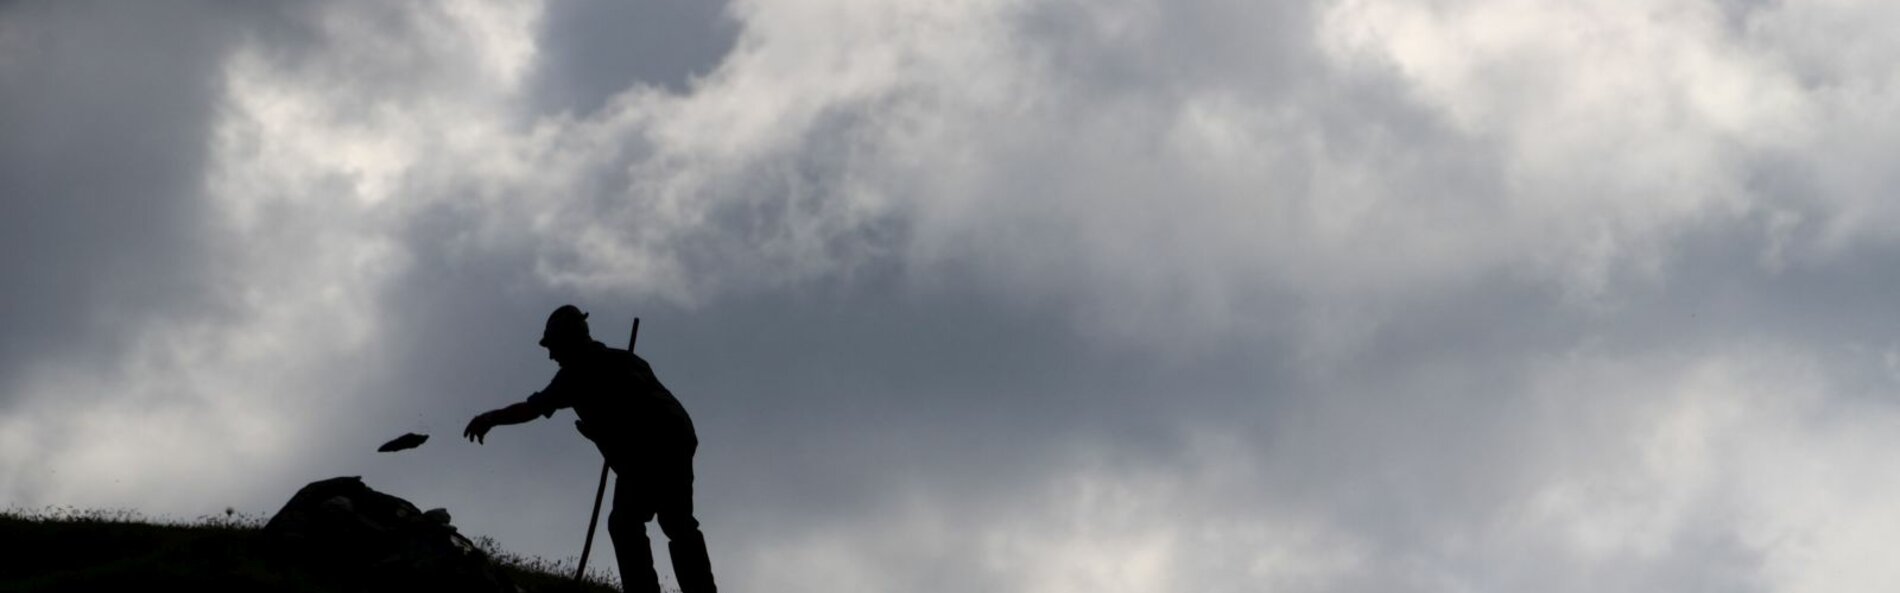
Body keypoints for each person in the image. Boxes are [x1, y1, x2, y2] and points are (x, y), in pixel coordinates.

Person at [463, 305, 716, 593]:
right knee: (676, 522)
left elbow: (533, 409)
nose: (551, 355)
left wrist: (491, 418)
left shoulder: (577, 372)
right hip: (676, 439)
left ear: (569, 341)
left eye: (554, 346)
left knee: (625, 523)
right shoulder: (625, 359)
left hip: (647, 448)